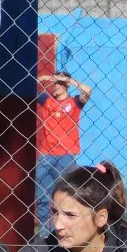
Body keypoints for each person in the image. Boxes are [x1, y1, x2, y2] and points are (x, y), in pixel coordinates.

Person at [35, 72, 93, 226]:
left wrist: (70, 80)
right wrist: (44, 78)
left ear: (66, 85)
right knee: (41, 197)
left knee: (66, 195)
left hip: (66, 156)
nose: (56, 86)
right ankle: (45, 234)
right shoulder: (47, 100)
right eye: (55, 83)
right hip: (46, 155)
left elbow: (88, 91)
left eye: (60, 83)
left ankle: (65, 228)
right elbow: (28, 85)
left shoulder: (74, 103)